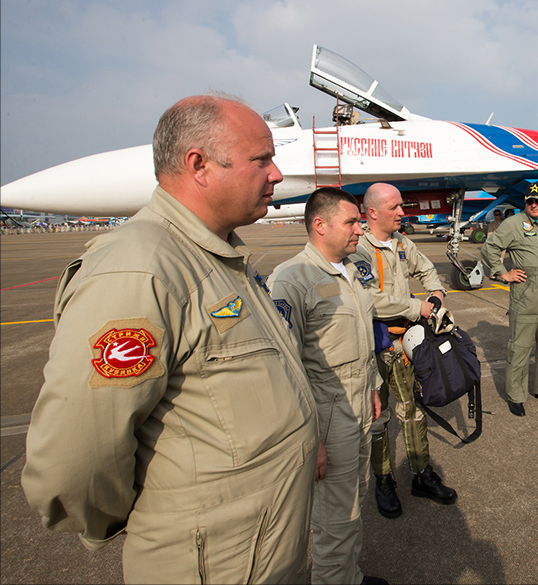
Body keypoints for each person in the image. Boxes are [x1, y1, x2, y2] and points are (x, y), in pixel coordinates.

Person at [21, 94, 319, 583]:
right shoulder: (140, 270)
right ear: (198, 165)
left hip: (259, 553)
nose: (278, 174)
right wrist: (159, 523)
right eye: (261, 159)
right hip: (214, 565)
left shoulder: (219, 258)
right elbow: (74, 460)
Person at [268, 187, 387, 585]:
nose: (359, 230)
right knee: (334, 520)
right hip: (327, 415)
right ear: (320, 224)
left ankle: (348, 577)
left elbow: (361, 341)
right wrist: (312, 438)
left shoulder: (350, 270)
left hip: (358, 407)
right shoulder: (291, 279)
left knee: (354, 502)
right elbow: (284, 368)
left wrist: (372, 386)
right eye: (352, 222)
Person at [349, 183, 456, 520]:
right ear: (373, 213)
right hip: (374, 347)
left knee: (412, 410)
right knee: (378, 418)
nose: (402, 212)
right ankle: (383, 480)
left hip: (404, 344)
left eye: (401, 206)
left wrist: (436, 291)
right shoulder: (358, 250)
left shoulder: (401, 243)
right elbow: (372, 300)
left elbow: (426, 269)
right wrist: (419, 308)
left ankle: (421, 474)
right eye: (394, 207)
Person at [480, 181, 538, 417]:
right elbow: (489, 248)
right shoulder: (513, 224)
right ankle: (516, 395)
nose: (534, 205)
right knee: (520, 346)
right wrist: (503, 273)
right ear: (525, 202)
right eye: (530, 200)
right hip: (526, 293)